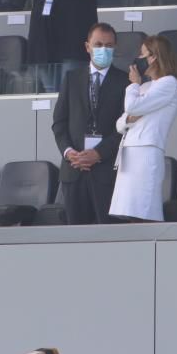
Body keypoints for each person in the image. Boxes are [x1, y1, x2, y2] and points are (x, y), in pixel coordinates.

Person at [52, 23, 129, 224]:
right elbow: (59, 123)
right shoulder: (71, 78)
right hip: (74, 171)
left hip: (107, 174)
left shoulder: (125, 82)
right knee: (77, 238)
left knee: (110, 237)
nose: (104, 49)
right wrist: (69, 153)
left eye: (109, 45)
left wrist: (98, 153)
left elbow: (125, 128)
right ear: (87, 47)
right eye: (98, 44)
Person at [110, 35, 177, 223]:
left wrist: (134, 85)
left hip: (147, 149)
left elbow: (133, 107)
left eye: (143, 55)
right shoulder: (146, 86)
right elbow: (120, 123)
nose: (139, 60)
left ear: (155, 57)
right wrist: (130, 116)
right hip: (129, 149)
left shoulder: (169, 83)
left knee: (143, 207)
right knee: (127, 210)